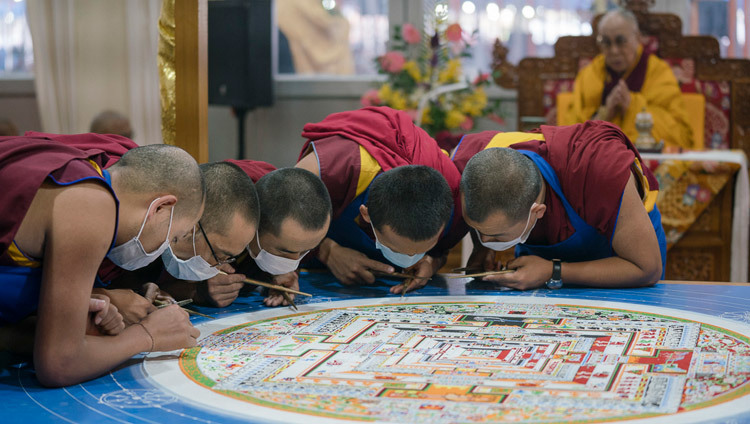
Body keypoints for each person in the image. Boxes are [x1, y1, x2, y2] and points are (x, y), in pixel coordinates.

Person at [0, 133, 204, 386]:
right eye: (173, 237)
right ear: (160, 207)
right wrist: (148, 335)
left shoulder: (84, 178)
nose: (163, 248)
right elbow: (59, 365)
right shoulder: (91, 201)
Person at [453, 121, 666, 290]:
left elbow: (646, 269)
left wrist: (553, 271)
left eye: (496, 236)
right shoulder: (470, 165)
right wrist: (482, 249)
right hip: (539, 263)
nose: (485, 240)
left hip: (620, 258)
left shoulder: (599, 170)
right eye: (479, 231)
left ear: (537, 212)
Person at [295, 106, 465, 293]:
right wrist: (327, 251)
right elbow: (282, 217)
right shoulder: (337, 168)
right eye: (394, 248)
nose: (409, 258)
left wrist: (432, 261)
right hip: (322, 278)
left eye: (419, 251)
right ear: (366, 214)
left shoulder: (453, 192)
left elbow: (443, 249)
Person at [558, 9, 693, 149]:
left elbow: (681, 135)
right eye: (606, 42)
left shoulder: (659, 73)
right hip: (599, 158)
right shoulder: (589, 75)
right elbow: (568, 135)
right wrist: (604, 114)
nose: (614, 50)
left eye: (620, 41)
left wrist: (632, 105)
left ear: (638, 38)